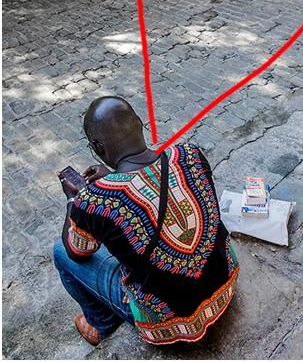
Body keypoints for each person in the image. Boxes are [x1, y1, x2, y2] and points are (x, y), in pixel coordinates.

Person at [53, 96, 239, 346]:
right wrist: (114, 176)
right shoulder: (190, 154)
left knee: (60, 252)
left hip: (171, 322)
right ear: (140, 124)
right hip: (225, 284)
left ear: (98, 148)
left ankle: (102, 323)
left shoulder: (94, 201)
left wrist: (73, 201)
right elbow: (152, 180)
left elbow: (76, 252)